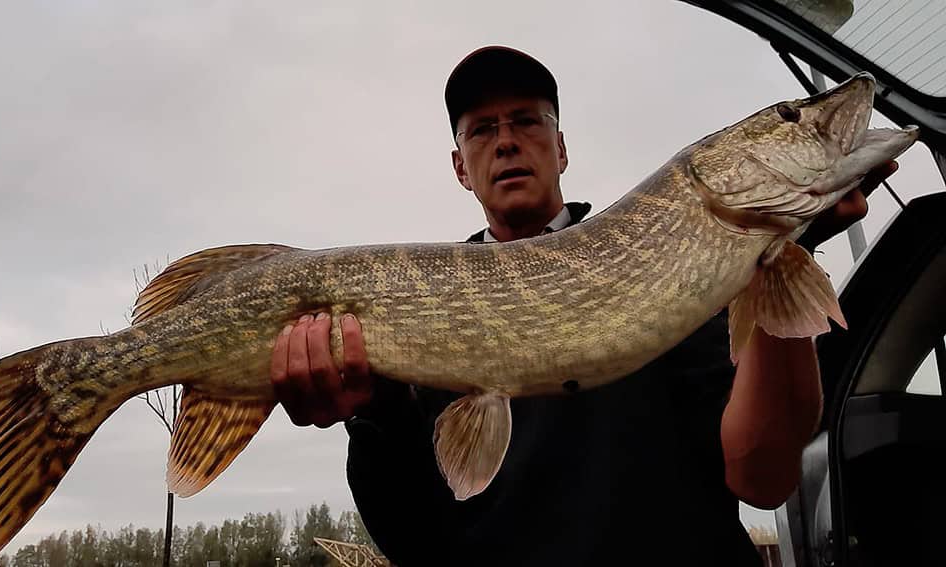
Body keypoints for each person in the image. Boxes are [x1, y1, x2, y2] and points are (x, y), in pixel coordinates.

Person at [269, 46, 897, 566]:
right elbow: (418, 542)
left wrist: (773, 262)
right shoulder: (421, 305)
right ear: (462, 167)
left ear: (561, 149)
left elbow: (762, 478)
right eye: (483, 130)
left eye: (527, 121)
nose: (507, 142)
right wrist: (375, 416)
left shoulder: (677, 273)